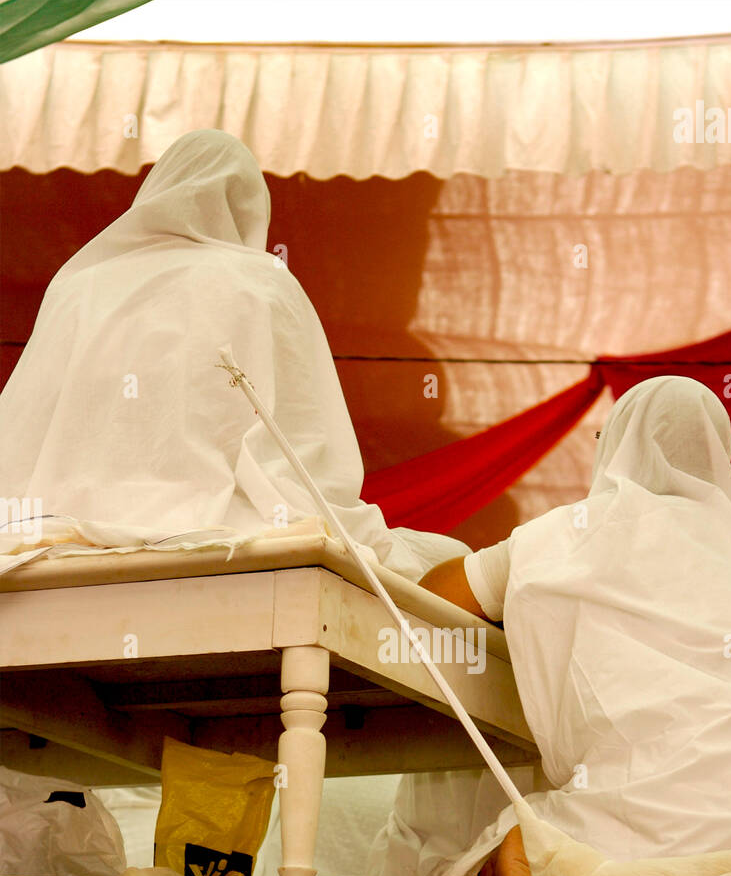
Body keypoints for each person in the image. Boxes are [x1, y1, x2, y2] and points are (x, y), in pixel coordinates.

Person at [377, 376, 731, 876]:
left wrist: (518, 609)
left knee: (495, 862)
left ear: (616, 446)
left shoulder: (569, 532)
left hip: (639, 816)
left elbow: (431, 605)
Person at [0, 129, 463, 579]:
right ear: (248, 209)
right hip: (225, 523)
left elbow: (22, 431)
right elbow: (308, 444)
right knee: (447, 557)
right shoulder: (262, 281)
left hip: (50, 521)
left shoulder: (78, 284)